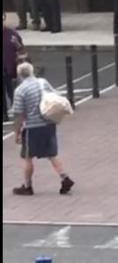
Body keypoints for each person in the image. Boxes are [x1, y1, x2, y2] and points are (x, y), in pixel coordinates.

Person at [11, 62, 75, 196]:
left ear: (19, 75)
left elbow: (19, 114)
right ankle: (65, 177)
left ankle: (28, 186)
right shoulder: (42, 82)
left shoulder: (20, 90)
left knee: (28, 157)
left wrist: (17, 132)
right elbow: (54, 95)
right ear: (32, 71)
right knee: (51, 154)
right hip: (48, 123)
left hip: (32, 127)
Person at [3, 14, 24, 122]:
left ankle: (17, 113)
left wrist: (19, 62)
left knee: (13, 93)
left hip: (10, 69)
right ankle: (4, 115)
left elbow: (21, 49)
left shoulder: (12, 34)